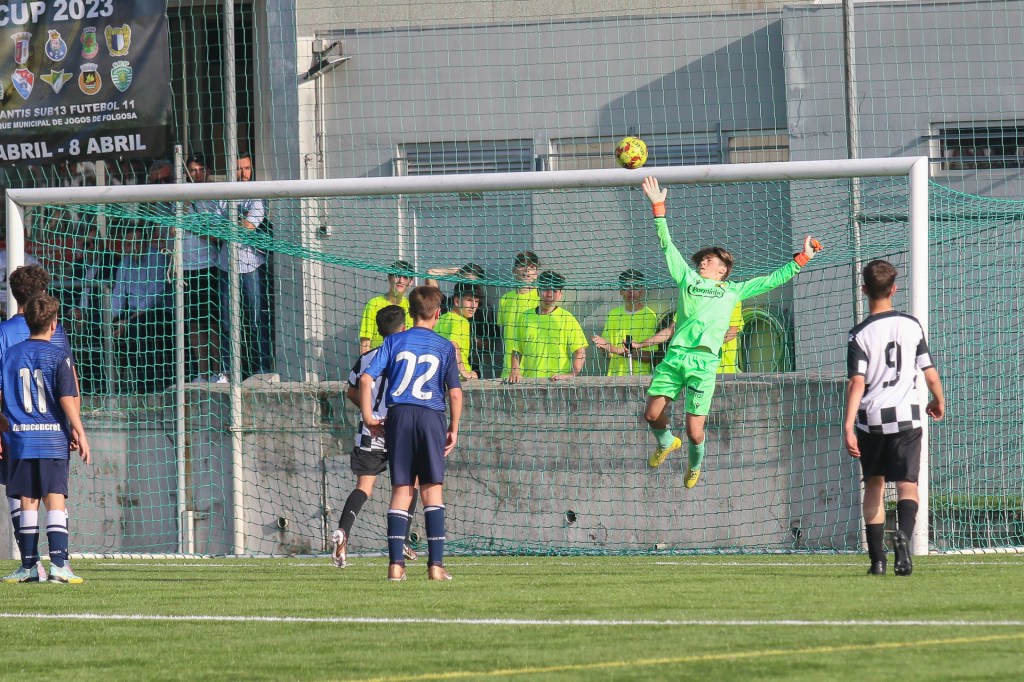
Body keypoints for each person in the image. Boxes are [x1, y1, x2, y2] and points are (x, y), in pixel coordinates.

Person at [640, 175, 821, 488]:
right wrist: (659, 208)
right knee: (651, 414)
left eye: (708, 259)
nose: (702, 262)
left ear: (722, 269)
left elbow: (772, 280)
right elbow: (667, 246)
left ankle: (694, 466)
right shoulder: (687, 279)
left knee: (694, 431)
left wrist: (802, 258)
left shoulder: (733, 290)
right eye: (701, 259)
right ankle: (666, 442)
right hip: (676, 357)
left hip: (703, 363)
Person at [844, 260, 944, 577]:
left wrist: (848, 425)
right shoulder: (911, 325)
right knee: (907, 484)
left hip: (871, 420)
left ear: (864, 290)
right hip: (906, 418)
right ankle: (903, 535)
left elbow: (857, 382)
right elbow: (929, 371)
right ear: (894, 289)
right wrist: (938, 400)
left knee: (873, 485)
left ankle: (877, 561)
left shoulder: (859, 334)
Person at [359, 285, 462, 581]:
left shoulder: (393, 341)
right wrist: (453, 428)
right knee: (432, 489)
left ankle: (395, 566)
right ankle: (435, 566)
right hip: (431, 417)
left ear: (410, 312)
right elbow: (455, 393)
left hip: (399, 416)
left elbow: (366, 379)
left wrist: (368, 417)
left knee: (402, 489)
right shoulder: (445, 346)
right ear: (438, 314)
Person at [0, 294, 91, 584]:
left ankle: (29, 566)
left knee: (27, 501)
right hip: (52, 439)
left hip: (21, 440)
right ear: (54, 324)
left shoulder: (11, 355)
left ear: (27, 322)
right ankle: (59, 566)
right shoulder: (58, 355)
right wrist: (79, 430)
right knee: (55, 499)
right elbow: (66, 397)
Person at [331, 305, 420, 568]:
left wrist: (370, 414)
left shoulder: (367, 357)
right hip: (399, 429)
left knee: (364, 487)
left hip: (371, 431)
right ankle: (401, 539)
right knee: (409, 484)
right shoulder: (407, 358)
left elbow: (351, 391)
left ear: (380, 331)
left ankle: (343, 532)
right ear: (404, 329)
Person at [218, 153, 274, 377]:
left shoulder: (256, 194)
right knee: (227, 321)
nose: (243, 173)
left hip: (252, 265)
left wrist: (230, 225)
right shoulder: (222, 194)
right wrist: (233, 225)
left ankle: (262, 368)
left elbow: (250, 225)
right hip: (226, 265)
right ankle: (228, 371)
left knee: (258, 318)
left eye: (247, 168)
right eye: (239, 168)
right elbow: (214, 227)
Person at [109, 225, 173, 394]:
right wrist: (112, 319)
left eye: (136, 243)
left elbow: (154, 297)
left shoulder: (158, 258)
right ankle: (103, 386)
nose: (132, 248)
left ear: (146, 243)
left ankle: (146, 386)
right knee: (106, 330)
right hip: (133, 314)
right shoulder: (125, 262)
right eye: (128, 244)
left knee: (136, 328)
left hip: (159, 312)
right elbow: (118, 292)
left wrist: (128, 322)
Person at [183, 153, 226, 384]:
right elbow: (170, 231)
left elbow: (218, 234)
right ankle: (202, 372)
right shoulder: (181, 198)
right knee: (194, 324)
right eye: (193, 170)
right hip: (186, 269)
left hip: (209, 266)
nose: (197, 174)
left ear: (208, 171)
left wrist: (199, 228)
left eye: (201, 170)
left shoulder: (214, 198)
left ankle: (218, 371)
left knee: (212, 323)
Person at [507, 270, 588, 383]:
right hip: (531, 382)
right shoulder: (524, 317)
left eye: (555, 290)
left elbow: (580, 351)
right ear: (538, 291)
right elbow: (517, 350)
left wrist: (571, 375)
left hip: (557, 383)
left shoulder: (567, 318)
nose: (550, 294)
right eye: (545, 289)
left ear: (560, 294)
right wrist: (515, 371)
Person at [633, 302, 744, 374]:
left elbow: (731, 333)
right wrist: (639, 345)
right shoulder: (690, 297)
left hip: (721, 371)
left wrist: (699, 346)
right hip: (693, 370)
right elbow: (670, 330)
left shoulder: (731, 295)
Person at [591, 268, 659, 376]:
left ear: (642, 290)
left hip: (640, 379)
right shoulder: (613, 315)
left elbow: (649, 356)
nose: (631, 291)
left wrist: (612, 348)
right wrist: (602, 345)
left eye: (636, 286)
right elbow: (608, 355)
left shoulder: (649, 316)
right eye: (626, 287)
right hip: (614, 378)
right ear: (620, 290)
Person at [498, 251, 540, 379]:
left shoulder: (541, 298)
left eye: (531, 267)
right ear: (514, 270)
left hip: (534, 369)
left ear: (536, 274)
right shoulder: (505, 299)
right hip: (509, 369)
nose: (526, 270)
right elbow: (503, 331)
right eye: (522, 265)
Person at [358, 260, 415, 354]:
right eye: (397, 275)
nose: (401, 280)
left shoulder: (411, 306)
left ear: (411, 281)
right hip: (378, 359)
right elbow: (365, 342)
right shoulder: (374, 304)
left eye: (405, 277)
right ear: (389, 278)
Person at [435, 282, 483, 381]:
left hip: (441, 376)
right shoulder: (461, 322)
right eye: (469, 300)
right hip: (458, 379)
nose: (473, 306)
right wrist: (464, 373)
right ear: (456, 301)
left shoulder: (441, 318)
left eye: (476, 301)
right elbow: (453, 345)